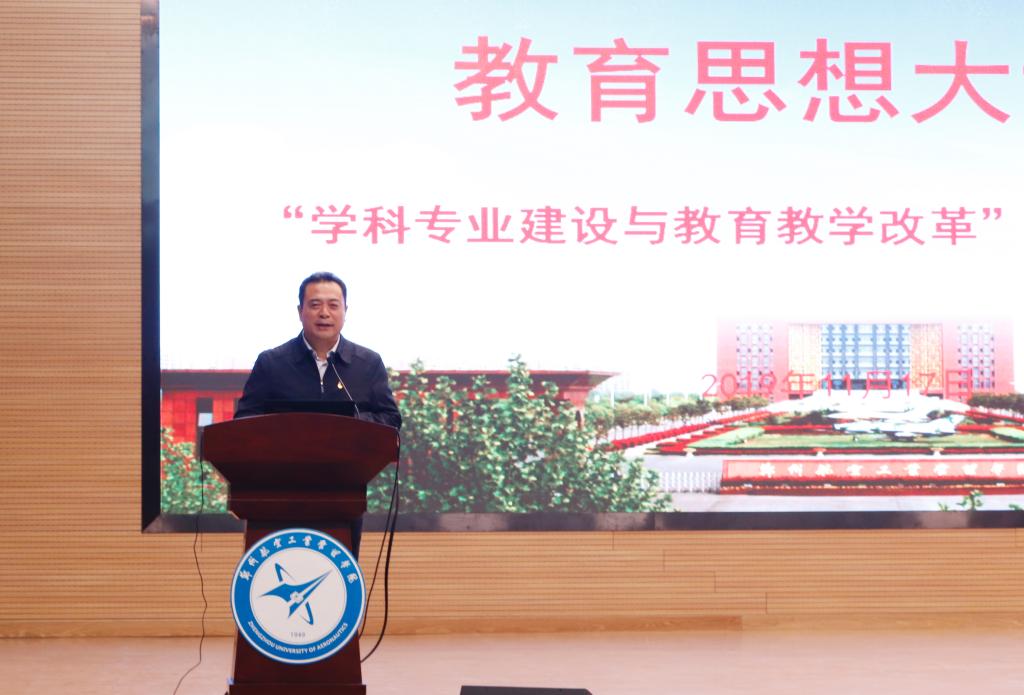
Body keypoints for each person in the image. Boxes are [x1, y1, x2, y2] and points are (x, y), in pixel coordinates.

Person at [234, 271, 402, 557]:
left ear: (345, 311)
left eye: (333, 305)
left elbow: (391, 421)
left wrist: (351, 427)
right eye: (315, 305)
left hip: (344, 494)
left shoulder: (367, 364)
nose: (324, 313)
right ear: (300, 311)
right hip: (277, 496)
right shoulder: (272, 363)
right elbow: (244, 423)